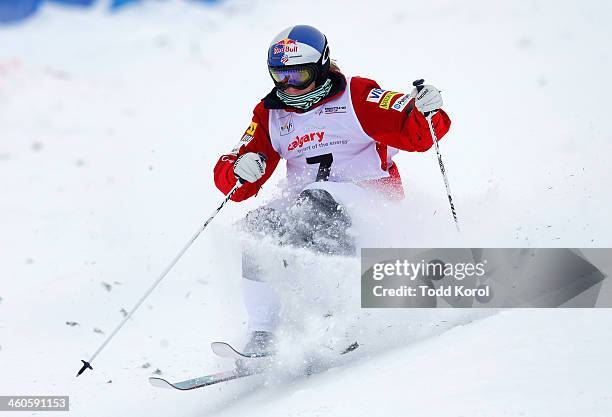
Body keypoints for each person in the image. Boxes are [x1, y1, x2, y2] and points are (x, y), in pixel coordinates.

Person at [213, 25, 451, 362]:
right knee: (259, 225)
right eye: (280, 77)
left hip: (371, 203)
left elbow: (416, 134)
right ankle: (263, 332)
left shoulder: (356, 95)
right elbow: (237, 183)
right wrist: (239, 169)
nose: (289, 87)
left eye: (300, 75)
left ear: (322, 66)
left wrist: (427, 110)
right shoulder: (271, 114)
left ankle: (335, 320)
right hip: (307, 206)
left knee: (319, 203)